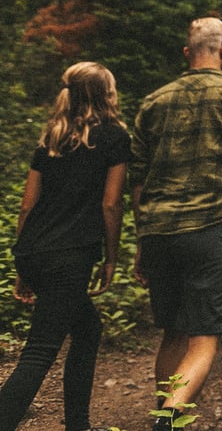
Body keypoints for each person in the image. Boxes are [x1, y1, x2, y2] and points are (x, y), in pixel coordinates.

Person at [129, 16, 222, 431]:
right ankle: (168, 418)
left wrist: (142, 238)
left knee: (172, 332)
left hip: (158, 231)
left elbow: (138, 178)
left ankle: (165, 413)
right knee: (204, 336)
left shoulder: (154, 101)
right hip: (210, 228)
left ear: (188, 52)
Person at [0, 62, 129, 431]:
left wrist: (24, 264)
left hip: (36, 249)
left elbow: (27, 206)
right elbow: (110, 203)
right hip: (70, 255)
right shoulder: (114, 137)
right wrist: (111, 257)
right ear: (106, 93)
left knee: (88, 330)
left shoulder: (51, 139)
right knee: (40, 351)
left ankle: (79, 424)